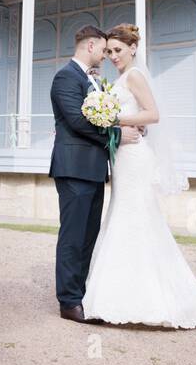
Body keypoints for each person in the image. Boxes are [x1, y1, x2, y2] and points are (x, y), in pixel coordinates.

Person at [81, 23, 196, 329]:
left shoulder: (135, 76)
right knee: (121, 215)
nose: (113, 56)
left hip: (136, 159)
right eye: (109, 52)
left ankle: (151, 300)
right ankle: (117, 297)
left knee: (137, 218)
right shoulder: (118, 79)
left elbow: (153, 114)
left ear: (133, 49)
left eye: (118, 50)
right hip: (122, 158)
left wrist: (115, 119)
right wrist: (114, 125)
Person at [48, 25, 141, 323]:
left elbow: (103, 113)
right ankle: (69, 302)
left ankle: (82, 293)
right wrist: (115, 134)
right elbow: (77, 121)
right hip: (74, 168)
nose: (106, 55)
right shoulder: (65, 77)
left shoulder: (94, 81)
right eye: (103, 49)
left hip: (95, 170)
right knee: (73, 236)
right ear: (90, 46)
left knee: (89, 236)